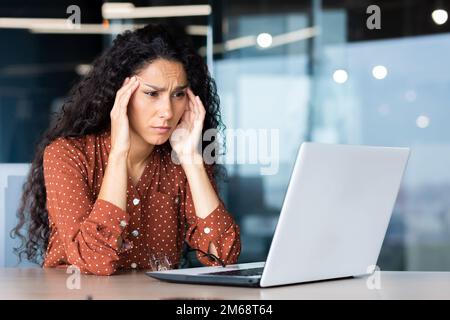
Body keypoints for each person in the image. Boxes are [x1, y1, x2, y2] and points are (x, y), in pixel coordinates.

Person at [12, 24, 241, 276]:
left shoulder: (180, 161)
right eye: (152, 94)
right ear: (121, 94)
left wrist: (191, 158)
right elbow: (93, 261)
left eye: (177, 95)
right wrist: (119, 152)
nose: (167, 111)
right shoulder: (67, 155)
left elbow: (223, 256)